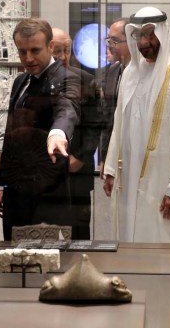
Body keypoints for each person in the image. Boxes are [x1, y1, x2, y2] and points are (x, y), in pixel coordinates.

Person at [102, 6, 170, 243]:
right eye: (139, 35)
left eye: (150, 34)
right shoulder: (130, 73)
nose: (144, 42)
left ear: (162, 33)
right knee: (132, 236)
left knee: (164, 239)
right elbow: (119, 121)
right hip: (130, 176)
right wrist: (111, 167)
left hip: (164, 180)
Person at [0, 19, 80, 241]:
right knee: (14, 260)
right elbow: (10, 135)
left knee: (45, 265)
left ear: (51, 47)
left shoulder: (67, 78)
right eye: (22, 52)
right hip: (16, 189)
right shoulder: (21, 80)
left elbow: (67, 109)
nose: (28, 58)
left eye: (35, 50)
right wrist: (2, 183)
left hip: (48, 193)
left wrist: (58, 133)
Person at [51, 27, 101, 240]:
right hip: (46, 174)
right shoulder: (34, 81)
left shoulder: (85, 80)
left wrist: (80, 158)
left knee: (78, 238)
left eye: (67, 51)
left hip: (77, 172)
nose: (63, 57)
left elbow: (95, 124)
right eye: (57, 52)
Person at [99, 18, 131, 176]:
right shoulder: (112, 71)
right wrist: (104, 158)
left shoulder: (143, 74)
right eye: (109, 40)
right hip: (114, 153)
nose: (110, 45)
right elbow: (108, 119)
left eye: (115, 40)